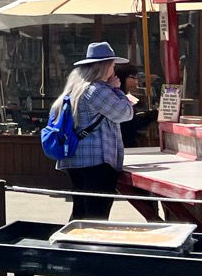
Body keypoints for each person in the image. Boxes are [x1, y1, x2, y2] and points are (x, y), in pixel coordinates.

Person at [50, 43, 138, 221]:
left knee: (81, 212)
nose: (114, 70)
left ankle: (72, 245)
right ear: (105, 66)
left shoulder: (76, 87)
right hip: (96, 160)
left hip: (75, 159)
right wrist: (117, 90)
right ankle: (90, 247)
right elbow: (125, 113)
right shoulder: (96, 90)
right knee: (97, 214)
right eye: (113, 65)